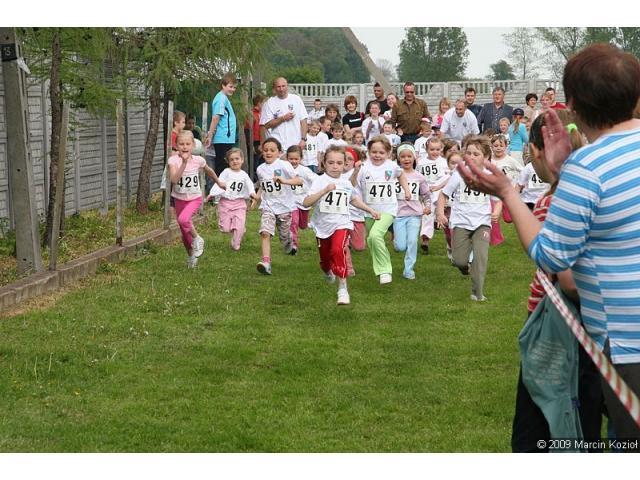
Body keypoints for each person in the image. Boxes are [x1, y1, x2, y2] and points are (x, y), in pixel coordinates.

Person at [459, 43, 640, 443]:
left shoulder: (588, 168)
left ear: (572, 104)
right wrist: (565, 170)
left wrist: (507, 192)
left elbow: (552, 256)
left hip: (627, 344)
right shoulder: (588, 165)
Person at [510, 111, 604, 453]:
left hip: (560, 329)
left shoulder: (555, 201)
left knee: (540, 431)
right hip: (595, 326)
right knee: (585, 418)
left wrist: (507, 195)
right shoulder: (593, 189)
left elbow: (567, 277)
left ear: (537, 150)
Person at [303, 146, 380, 305]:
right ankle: (327, 271)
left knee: (338, 250)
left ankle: (343, 288)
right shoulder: (319, 181)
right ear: (324, 163)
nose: (335, 166)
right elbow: (306, 202)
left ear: (345, 164)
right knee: (325, 260)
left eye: (339, 163)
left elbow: (353, 199)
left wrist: (370, 210)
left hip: (342, 223)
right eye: (331, 162)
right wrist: (324, 191)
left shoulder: (346, 183)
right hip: (322, 226)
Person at [437, 135, 502, 301]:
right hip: (460, 222)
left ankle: (477, 293)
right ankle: (464, 267)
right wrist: (440, 213)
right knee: (459, 260)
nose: (471, 157)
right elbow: (443, 195)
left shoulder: (489, 176)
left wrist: (496, 211)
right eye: (469, 153)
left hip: (482, 223)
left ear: (486, 157)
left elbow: (498, 198)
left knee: (480, 258)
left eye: (476, 154)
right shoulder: (459, 174)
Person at [351, 135, 411, 284]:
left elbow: (401, 175)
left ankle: (385, 270)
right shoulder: (363, 167)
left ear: (388, 153)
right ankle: (380, 270)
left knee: (375, 236)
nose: (377, 155)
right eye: (374, 152)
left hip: (388, 210)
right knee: (372, 241)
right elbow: (351, 184)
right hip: (369, 211)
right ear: (368, 152)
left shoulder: (391, 166)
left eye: (381, 152)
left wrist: (406, 190)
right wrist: (355, 171)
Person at [168, 130, 221, 268]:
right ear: (177, 145)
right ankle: (191, 255)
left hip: (194, 198)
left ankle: (198, 238)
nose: (184, 147)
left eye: (187, 144)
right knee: (184, 233)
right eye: (181, 144)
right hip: (179, 198)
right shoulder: (173, 160)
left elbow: (209, 170)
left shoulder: (199, 160)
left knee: (183, 220)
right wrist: (184, 163)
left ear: (193, 145)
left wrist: (218, 182)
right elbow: (174, 180)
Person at [254, 137, 304, 275]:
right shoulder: (260, 169)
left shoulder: (284, 165)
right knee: (265, 232)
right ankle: (266, 262)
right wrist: (257, 197)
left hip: (285, 208)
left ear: (279, 152)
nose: (268, 152)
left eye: (272, 150)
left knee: (284, 239)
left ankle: (289, 242)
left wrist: (284, 181)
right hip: (268, 206)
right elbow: (263, 185)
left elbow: (299, 181)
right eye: (265, 150)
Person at [393, 143, 431, 280]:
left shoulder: (419, 177)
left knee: (412, 241)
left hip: (415, 214)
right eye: (403, 156)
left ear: (414, 158)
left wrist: (428, 206)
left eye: (409, 156)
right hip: (398, 215)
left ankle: (409, 269)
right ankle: (396, 242)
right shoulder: (393, 175)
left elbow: (426, 194)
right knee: (400, 246)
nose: (406, 159)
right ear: (398, 159)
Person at [207, 148, 257, 251]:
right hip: (225, 203)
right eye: (232, 160)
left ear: (242, 160)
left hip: (239, 203)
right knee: (225, 228)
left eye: (237, 159)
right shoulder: (226, 172)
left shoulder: (244, 175)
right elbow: (220, 182)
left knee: (239, 226)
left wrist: (252, 193)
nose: (235, 161)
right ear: (228, 162)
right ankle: (235, 227)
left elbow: (249, 185)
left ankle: (236, 244)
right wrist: (211, 194)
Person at [416, 137, 450, 254]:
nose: (435, 152)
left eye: (437, 149)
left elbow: (447, 177)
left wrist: (438, 187)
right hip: (426, 192)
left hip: (440, 191)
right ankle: (425, 238)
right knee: (427, 213)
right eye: (432, 149)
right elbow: (418, 176)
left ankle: (438, 221)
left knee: (440, 211)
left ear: (441, 149)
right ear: (426, 150)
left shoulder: (444, 162)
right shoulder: (421, 162)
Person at [260, 77, 308, 152]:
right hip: (277, 145)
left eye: (283, 86)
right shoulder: (269, 103)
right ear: (274, 88)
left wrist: (303, 139)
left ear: (287, 86)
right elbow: (266, 125)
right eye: (278, 87)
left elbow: (303, 120)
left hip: (296, 144)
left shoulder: (296, 99)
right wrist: (283, 118)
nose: (281, 89)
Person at [286, 145, 318, 255]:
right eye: (291, 159)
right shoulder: (285, 169)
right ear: (287, 158)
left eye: (296, 159)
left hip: (303, 201)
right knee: (293, 222)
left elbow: (316, 180)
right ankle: (293, 245)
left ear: (301, 159)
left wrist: (313, 192)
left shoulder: (305, 170)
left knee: (303, 225)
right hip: (291, 202)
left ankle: (307, 224)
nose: (293, 161)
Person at [205, 73, 237, 177]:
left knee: (226, 164)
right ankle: (220, 185)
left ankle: (225, 184)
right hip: (223, 137)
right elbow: (216, 117)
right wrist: (210, 135)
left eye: (234, 87)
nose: (232, 89)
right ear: (223, 85)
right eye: (230, 87)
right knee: (222, 166)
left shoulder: (224, 98)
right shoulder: (221, 98)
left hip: (227, 138)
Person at [246, 94, 266, 178]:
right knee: (255, 162)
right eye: (264, 103)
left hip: (261, 140)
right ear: (259, 103)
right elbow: (247, 130)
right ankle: (254, 179)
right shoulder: (252, 114)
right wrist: (251, 145)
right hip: (254, 141)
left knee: (261, 160)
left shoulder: (262, 114)